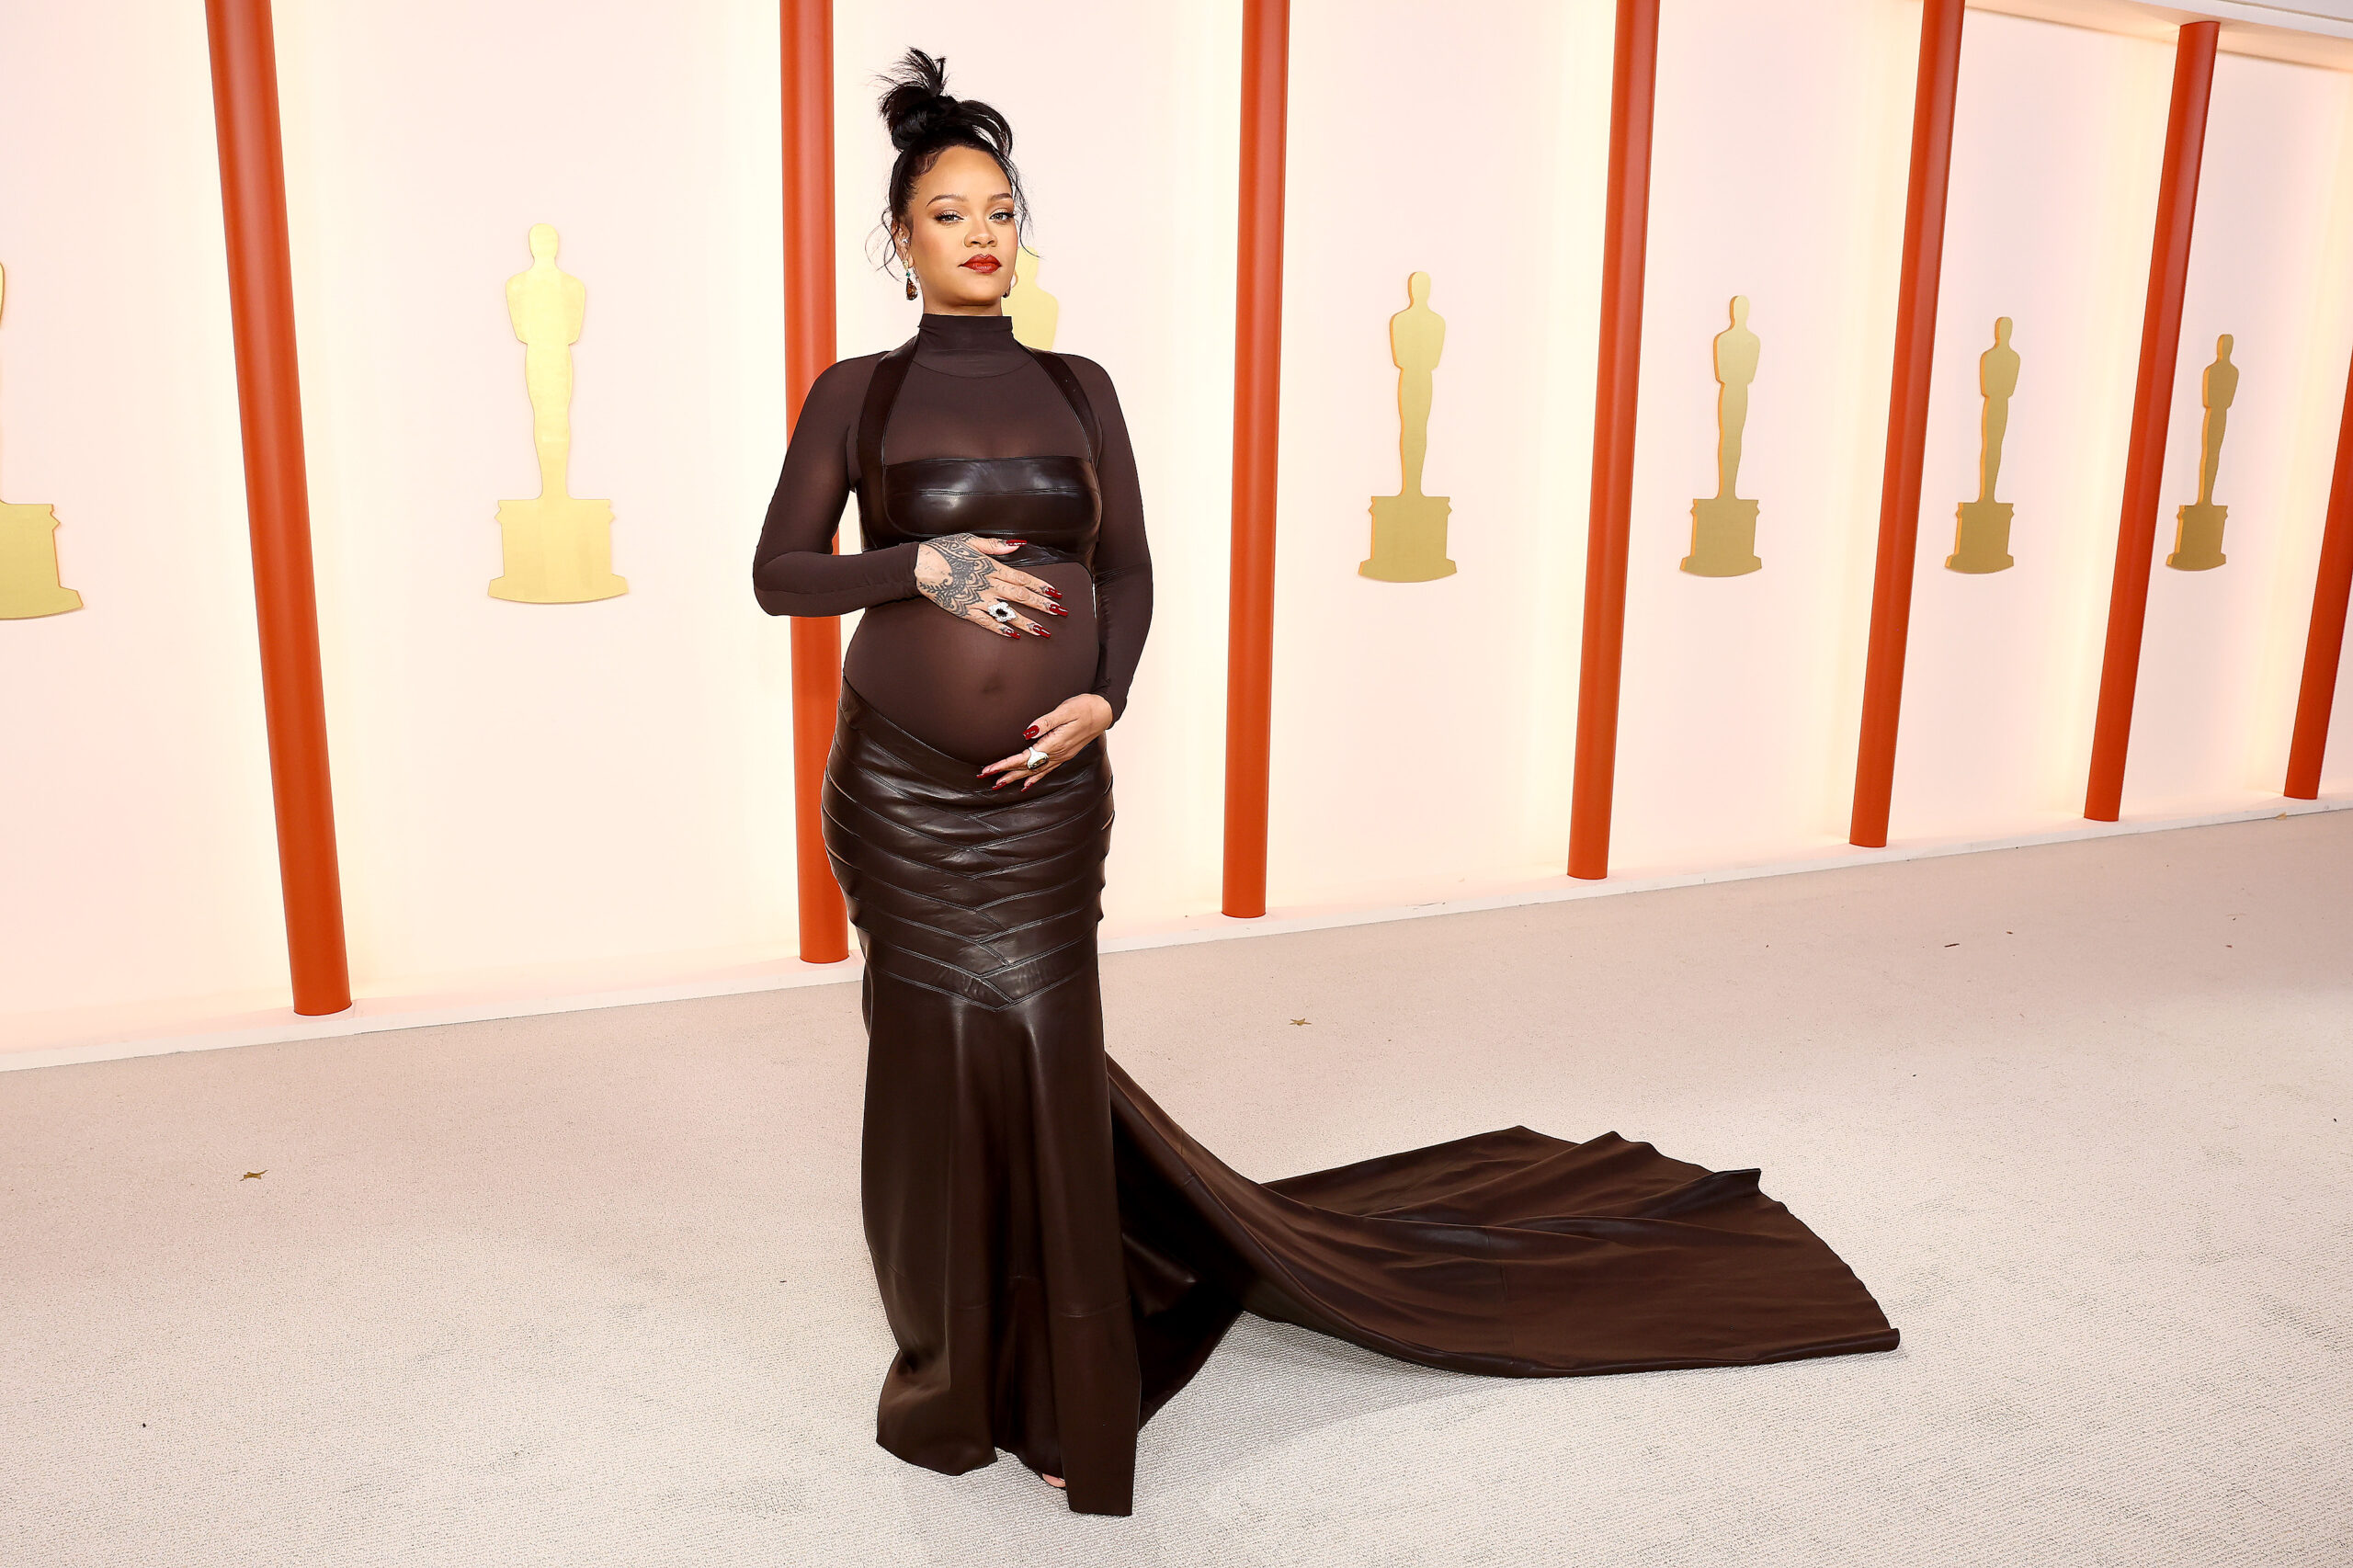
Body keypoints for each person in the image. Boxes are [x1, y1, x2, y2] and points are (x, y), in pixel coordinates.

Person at [753, 48, 1900, 1518]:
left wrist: (1108, 694)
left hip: (1048, 789)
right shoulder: (856, 393)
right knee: (923, 1077)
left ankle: (1067, 1383)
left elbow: (1128, 567)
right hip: (904, 794)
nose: (980, 233)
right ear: (900, 244)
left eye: (999, 210)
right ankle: (947, 1377)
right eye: (946, 213)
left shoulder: (1076, 384)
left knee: (1041, 1050)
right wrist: (917, 561)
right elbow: (782, 572)